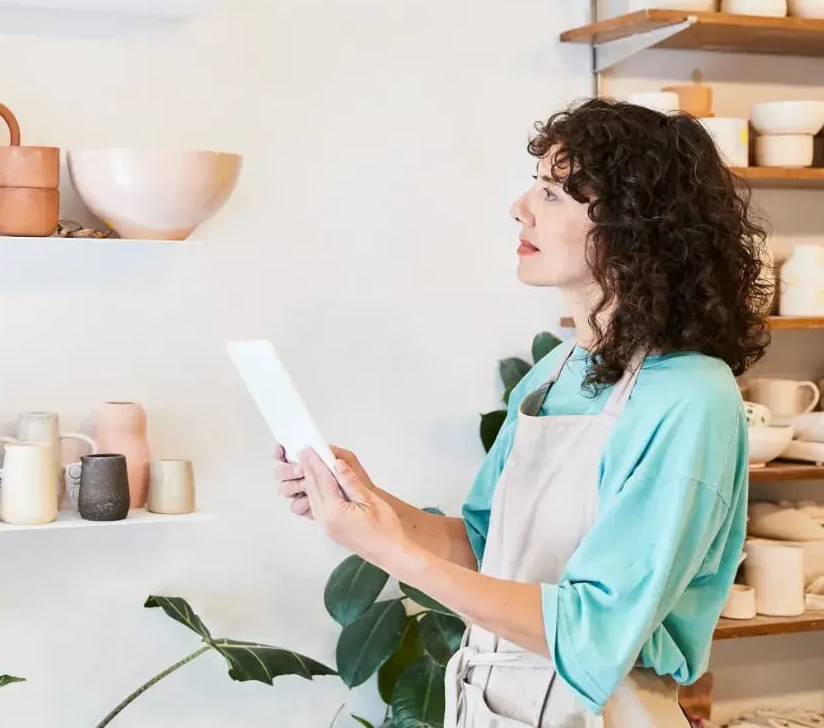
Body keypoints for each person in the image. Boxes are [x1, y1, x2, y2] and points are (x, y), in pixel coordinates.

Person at [273, 98, 770, 727]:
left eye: (554, 194)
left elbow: (595, 634)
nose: (520, 208)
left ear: (633, 226)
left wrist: (393, 554)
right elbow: (485, 547)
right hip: (491, 704)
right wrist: (367, 502)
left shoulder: (694, 398)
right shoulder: (551, 373)